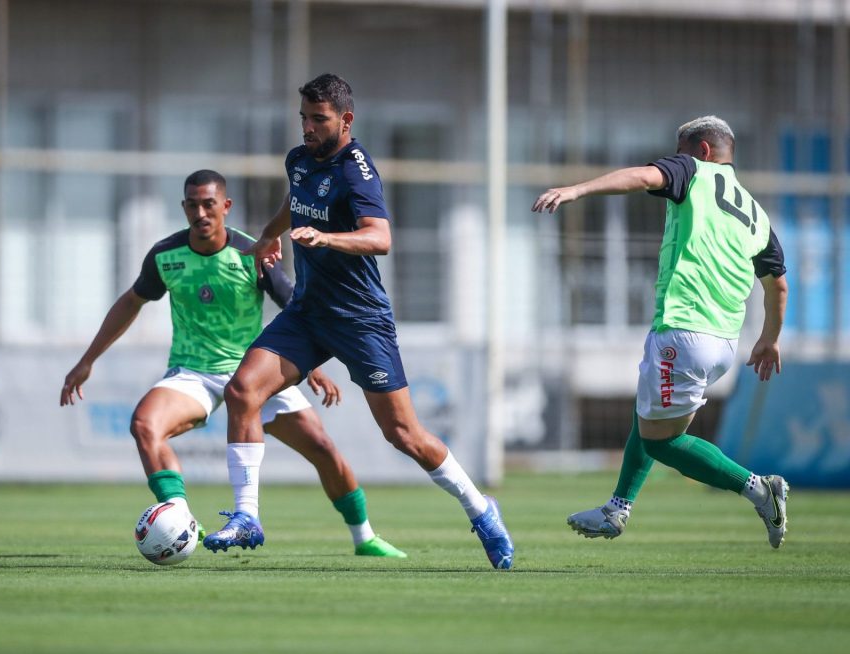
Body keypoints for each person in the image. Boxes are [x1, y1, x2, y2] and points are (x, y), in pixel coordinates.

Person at [217, 74, 514, 570]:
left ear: (346, 120)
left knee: (404, 435)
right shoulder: (298, 159)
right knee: (242, 390)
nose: (308, 128)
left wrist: (327, 239)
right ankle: (247, 517)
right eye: (304, 118)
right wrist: (271, 236)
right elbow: (296, 201)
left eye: (319, 120)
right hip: (309, 312)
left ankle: (481, 510)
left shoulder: (357, 170)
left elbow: (380, 238)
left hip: (360, 319)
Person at [60, 169, 406, 559]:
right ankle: (181, 519)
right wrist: (87, 360)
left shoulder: (251, 252)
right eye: (193, 205)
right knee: (144, 424)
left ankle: (365, 537)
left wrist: (313, 367)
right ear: (184, 208)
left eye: (209, 204)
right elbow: (131, 301)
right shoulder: (165, 255)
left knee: (323, 448)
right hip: (192, 372)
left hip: (253, 375)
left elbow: (297, 307)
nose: (201, 213)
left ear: (226, 206)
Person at [532, 115, 790, 548]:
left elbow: (641, 176)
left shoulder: (693, 171)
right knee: (649, 415)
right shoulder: (755, 213)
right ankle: (617, 509)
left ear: (703, 151)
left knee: (664, 444)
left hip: (684, 331)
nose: (673, 161)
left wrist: (576, 189)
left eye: (680, 152)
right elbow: (777, 284)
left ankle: (760, 489)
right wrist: (770, 338)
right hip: (726, 339)